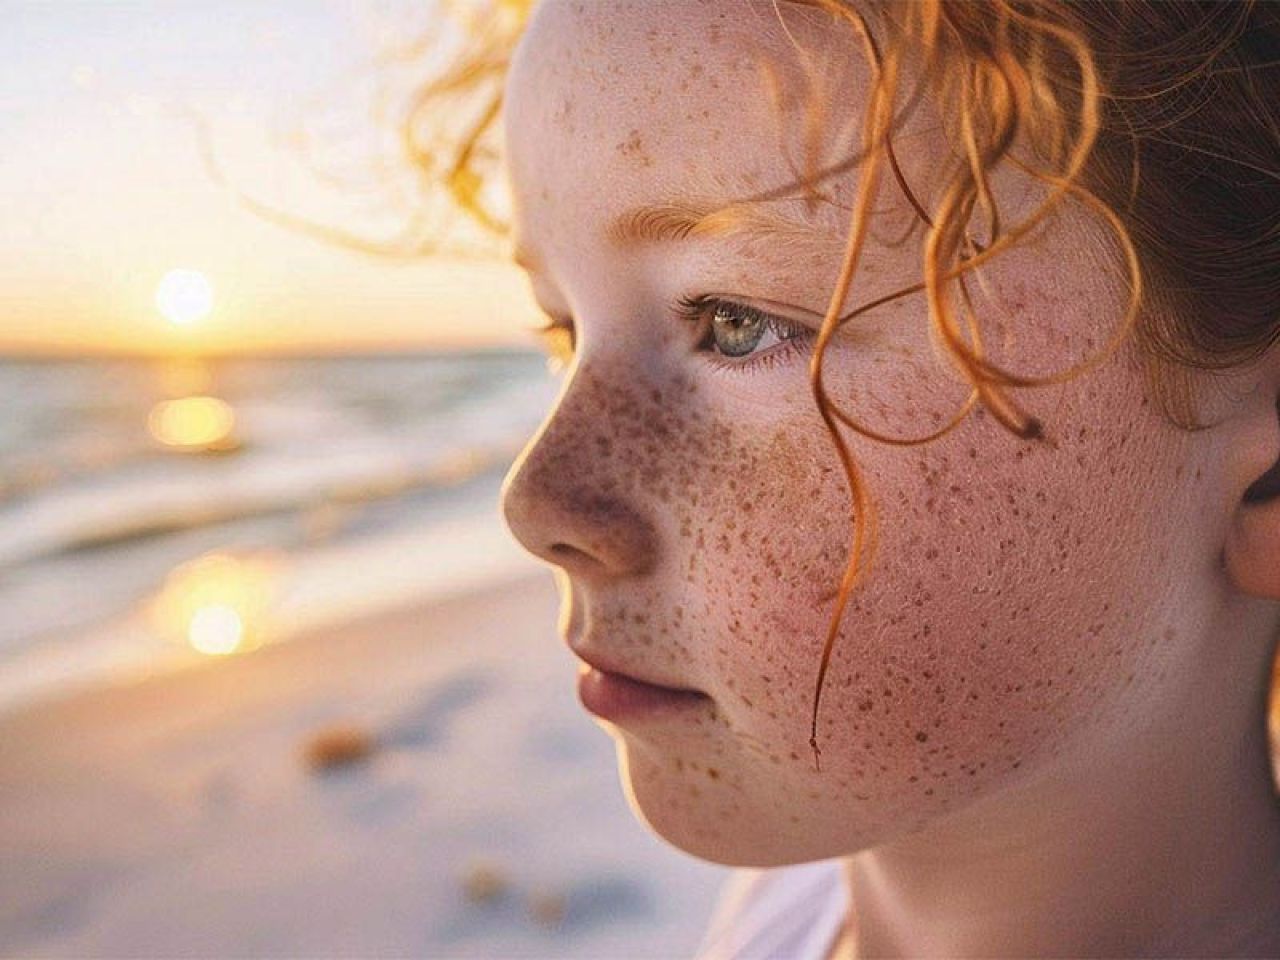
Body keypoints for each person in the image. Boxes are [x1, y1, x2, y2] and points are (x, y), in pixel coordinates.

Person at [417, 0, 1280, 954]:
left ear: (1267, 480)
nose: (538, 506)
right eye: (564, 331)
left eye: (736, 320)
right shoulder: (782, 914)